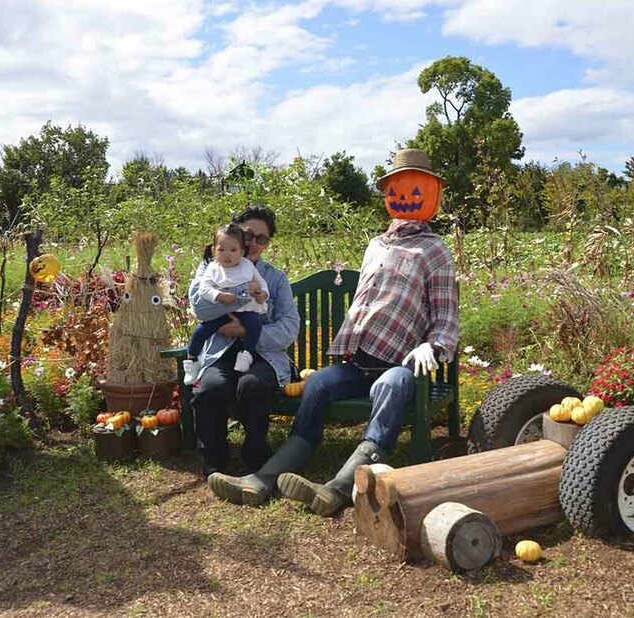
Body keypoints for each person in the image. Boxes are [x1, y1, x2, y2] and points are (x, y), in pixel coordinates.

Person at [208, 148, 459, 516]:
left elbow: (445, 312)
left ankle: (339, 487)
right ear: (389, 192)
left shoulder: (434, 249)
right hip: (358, 363)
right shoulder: (377, 245)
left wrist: (434, 347)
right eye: (398, 187)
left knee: (390, 386)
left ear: (431, 193)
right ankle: (263, 478)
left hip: (398, 365)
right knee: (320, 385)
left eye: (415, 188)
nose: (406, 195)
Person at [188, 205, 299, 478]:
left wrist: (246, 332)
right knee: (209, 388)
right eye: (249, 235)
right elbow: (199, 308)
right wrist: (235, 303)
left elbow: (289, 327)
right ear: (236, 233)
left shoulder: (274, 278)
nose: (254, 243)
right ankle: (215, 457)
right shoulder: (211, 268)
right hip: (221, 351)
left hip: (263, 354)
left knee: (252, 384)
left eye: (262, 238)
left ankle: (255, 455)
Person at [183, 223, 270, 386]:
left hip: (245, 310)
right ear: (214, 251)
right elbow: (204, 289)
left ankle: (246, 354)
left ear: (241, 252)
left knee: (254, 323)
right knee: (201, 331)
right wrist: (219, 295)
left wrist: (263, 293)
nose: (227, 255)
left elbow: (261, 282)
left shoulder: (247, 266)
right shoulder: (212, 268)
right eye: (221, 250)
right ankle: (192, 360)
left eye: (233, 250)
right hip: (221, 313)